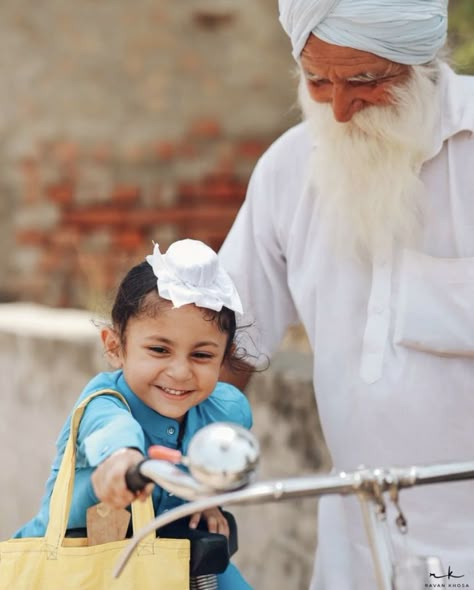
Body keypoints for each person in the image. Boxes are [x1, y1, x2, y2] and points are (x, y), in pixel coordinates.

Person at [218, 0, 474, 588]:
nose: (337, 107)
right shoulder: (288, 169)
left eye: (363, 79)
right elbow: (225, 343)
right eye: (316, 79)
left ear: (420, 60)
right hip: (355, 551)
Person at [14, 238, 253, 590]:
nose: (180, 371)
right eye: (159, 350)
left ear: (225, 356)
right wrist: (122, 463)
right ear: (115, 346)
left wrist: (206, 498)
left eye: (202, 355)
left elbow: (217, 462)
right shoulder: (105, 402)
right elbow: (112, 433)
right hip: (78, 564)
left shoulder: (226, 410)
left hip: (170, 560)